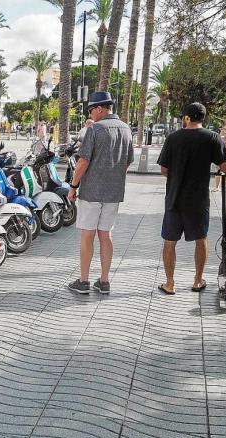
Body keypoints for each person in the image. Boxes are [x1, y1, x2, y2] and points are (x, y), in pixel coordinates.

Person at [157, 102, 226, 295]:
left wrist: (177, 175)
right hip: (198, 200)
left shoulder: (173, 138)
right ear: (203, 117)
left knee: (170, 241)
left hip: (174, 198)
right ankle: (198, 281)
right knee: (201, 239)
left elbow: (164, 170)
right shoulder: (212, 137)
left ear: (186, 118)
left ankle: (170, 283)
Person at [67, 91, 134, 295]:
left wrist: (73, 186)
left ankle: (84, 281)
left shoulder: (95, 129)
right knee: (106, 234)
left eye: (90, 110)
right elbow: (128, 161)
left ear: (99, 109)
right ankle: (104, 281)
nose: (91, 115)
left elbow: (83, 161)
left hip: (91, 192)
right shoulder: (126, 129)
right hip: (113, 192)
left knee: (87, 235)